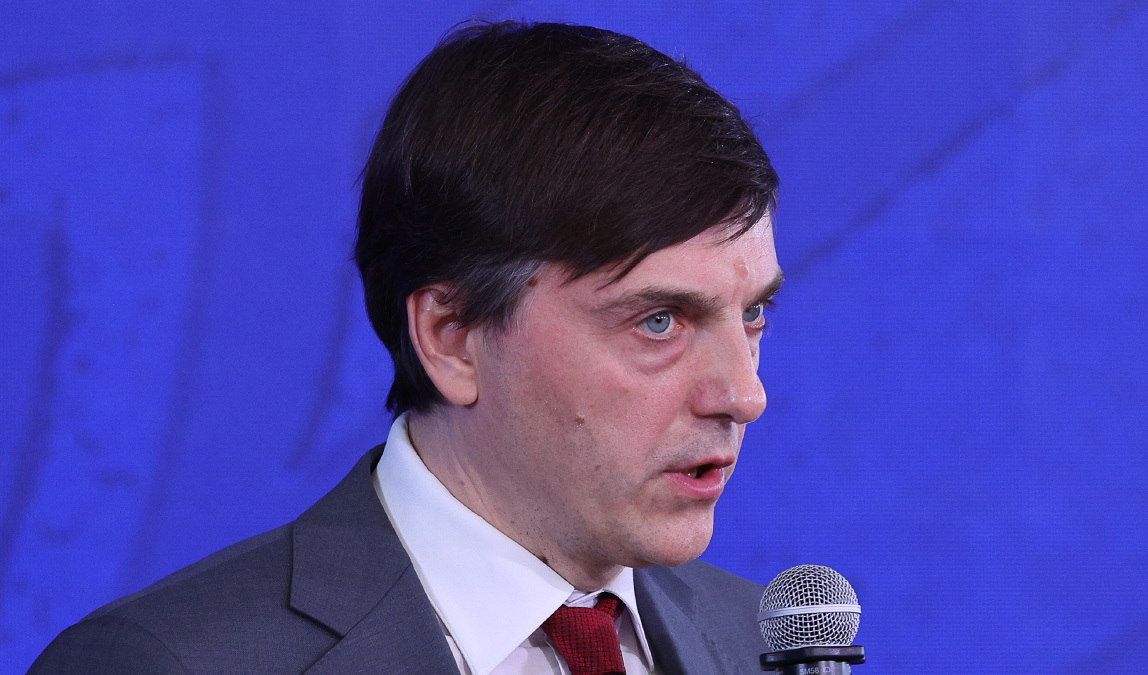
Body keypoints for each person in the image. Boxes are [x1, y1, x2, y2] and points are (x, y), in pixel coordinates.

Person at [30, 20, 783, 674]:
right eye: (660, 321)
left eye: (752, 313)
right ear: (451, 338)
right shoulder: (168, 663)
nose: (744, 394)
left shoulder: (766, 646)